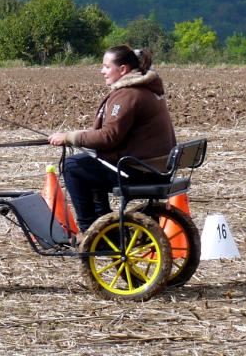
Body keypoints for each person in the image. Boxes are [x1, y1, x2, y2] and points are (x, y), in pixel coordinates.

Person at [47, 45, 176, 233]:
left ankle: (90, 229)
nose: (102, 71)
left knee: (72, 166)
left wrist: (69, 137)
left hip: (140, 171)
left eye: (107, 67)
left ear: (123, 69)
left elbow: (109, 137)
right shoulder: (143, 89)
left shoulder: (128, 95)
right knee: (89, 162)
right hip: (154, 167)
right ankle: (104, 223)